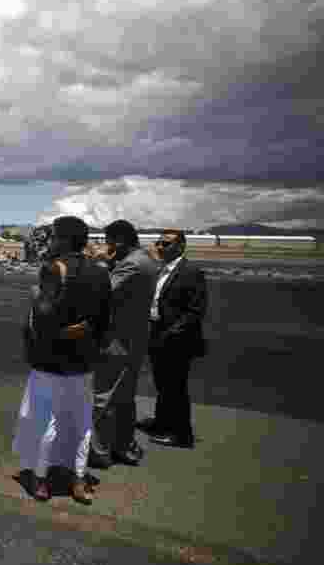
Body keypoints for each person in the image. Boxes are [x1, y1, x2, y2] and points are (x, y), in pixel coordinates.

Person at [13, 216, 111, 504]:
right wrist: (84, 333)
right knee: (82, 422)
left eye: (54, 236)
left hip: (52, 360)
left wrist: (35, 296)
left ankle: (41, 480)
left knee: (47, 420)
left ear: (64, 239)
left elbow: (43, 319)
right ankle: (79, 480)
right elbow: (104, 320)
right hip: (84, 361)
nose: (51, 241)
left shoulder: (54, 269)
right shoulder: (100, 271)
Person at [88, 220, 159, 469]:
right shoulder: (148, 260)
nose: (105, 246)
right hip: (136, 338)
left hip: (117, 340)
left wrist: (99, 262)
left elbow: (103, 291)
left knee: (103, 398)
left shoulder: (131, 264)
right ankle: (123, 446)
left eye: (108, 241)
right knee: (125, 398)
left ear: (117, 242)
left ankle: (99, 451)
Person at [139, 230, 207, 448]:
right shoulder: (163, 269)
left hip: (176, 340)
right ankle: (162, 423)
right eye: (158, 243)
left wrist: (170, 333)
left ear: (180, 247)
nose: (160, 247)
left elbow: (195, 311)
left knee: (175, 388)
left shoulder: (191, 271)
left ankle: (181, 435)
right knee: (164, 385)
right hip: (158, 334)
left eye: (166, 244)